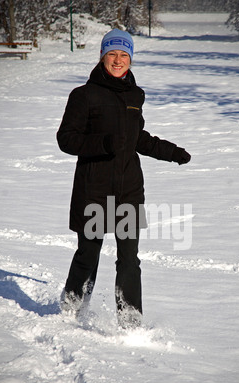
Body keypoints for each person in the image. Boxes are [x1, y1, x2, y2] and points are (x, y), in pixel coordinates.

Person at [57, 29, 191, 329]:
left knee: (129, 258)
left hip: (129, 189)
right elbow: (66, 139)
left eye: (124, 55)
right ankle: (71, 307)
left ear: (130, 59)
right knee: (88, 254)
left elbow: (135, 138)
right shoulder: (83, 95)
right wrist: (103, 143)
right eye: (112, 54)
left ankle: (131, 320)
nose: (118, 60)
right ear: (103, 56)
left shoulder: (135, 95)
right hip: (94, 189)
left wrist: (170, 152)